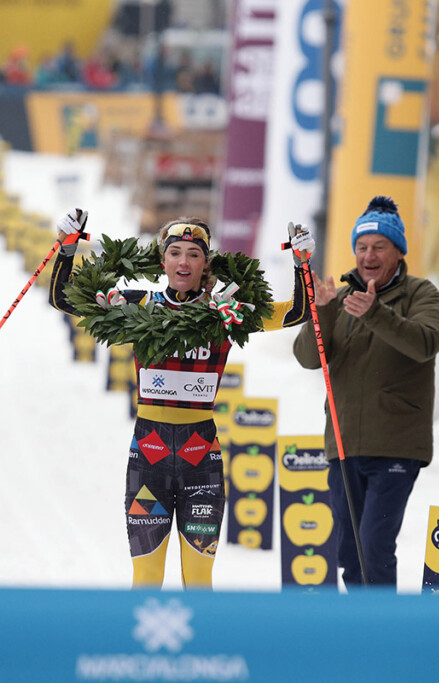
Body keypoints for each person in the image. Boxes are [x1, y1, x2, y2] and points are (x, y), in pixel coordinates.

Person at [49, 210, 315, 589]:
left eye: (194, 253)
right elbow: (63, 298)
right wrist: (66, 247)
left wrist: (302, 263)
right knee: (146, 576)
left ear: (206, 262)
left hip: (200, 458)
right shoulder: (140, 305)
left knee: (199, 580)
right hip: (149, 457)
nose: (184, 261)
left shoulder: (226, 312)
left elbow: (296, 313)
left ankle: (200, 649)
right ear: (163, 261)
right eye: (175, 252)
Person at [292, 195, 439, 590]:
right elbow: (309, 359)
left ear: (398, 251)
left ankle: (383, 634)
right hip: (344, 448)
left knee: (374, 546)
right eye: (361, 247)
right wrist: (323, 312)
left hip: (395, 448)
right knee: (348, 551)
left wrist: (377, 314)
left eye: (379, 246)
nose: (368, 255)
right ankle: (362, 627)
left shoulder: (420, 294)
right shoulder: (341, 298)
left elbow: (427, 342)